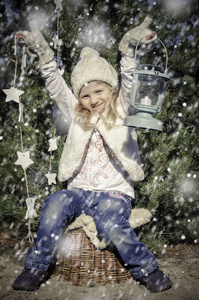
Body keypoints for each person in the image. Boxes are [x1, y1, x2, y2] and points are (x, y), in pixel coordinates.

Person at [13, 16, 172, 293]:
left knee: (112, 223)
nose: (93, 99)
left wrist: (128, 50)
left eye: (99, 91)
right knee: (54, 204)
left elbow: (130, 78)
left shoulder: (122, 109)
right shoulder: (77, 114)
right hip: (78, 190)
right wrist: (42, 53)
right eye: (85, 95)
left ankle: (147, 269)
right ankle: (36, 266)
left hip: (113, 192)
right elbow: (56, 85)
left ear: (111, 90)